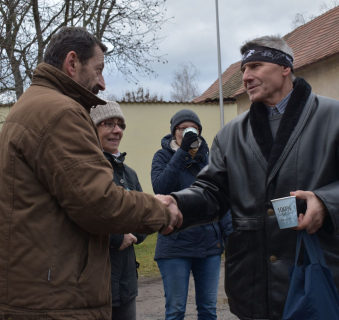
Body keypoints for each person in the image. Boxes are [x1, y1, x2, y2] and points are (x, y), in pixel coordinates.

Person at [157, 36, 339, 320]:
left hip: (319, 278)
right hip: (254, 286)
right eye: (244, 70)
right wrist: (178, 205)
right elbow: (212, 192)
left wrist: (326, 203)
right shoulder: (231, 134)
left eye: (255, 66)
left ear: (285, 67)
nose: (245, 77)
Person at [0, 27, 181, 320]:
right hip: (56, 301)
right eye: (98, 70)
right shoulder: (60, 112)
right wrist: (161, 211)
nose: (102, 83)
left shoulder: (29, 106)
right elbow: (99, 203)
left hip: (36, 293)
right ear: (72, 63)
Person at [151, 109, 232, 320]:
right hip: (175, 244)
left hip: (209, 244)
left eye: (194, 128)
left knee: (208, 309)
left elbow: (221, 198)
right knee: (176, 310)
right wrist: (182, 153)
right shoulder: (162, 156)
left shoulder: (211, 158)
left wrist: (231, 235)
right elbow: (161, 187)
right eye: (183, 128)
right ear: (174, 131)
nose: (189, 132)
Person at [90, 101, 146, 320]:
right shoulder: (89, 169)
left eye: (120, 125)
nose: (117, 130)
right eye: (108, 124)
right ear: (92, 129)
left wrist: (133, 235)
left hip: (126, 285)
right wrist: (115, 237)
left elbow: (143, 218)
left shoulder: (129, 174)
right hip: (96, 285)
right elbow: (84, 216)